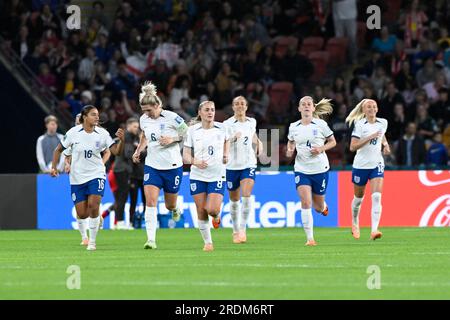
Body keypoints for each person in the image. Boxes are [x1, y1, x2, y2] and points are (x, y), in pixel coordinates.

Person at [50, 105, 124, 251]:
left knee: (94, 206)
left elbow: (116, 151)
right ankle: (96, 219)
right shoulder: (73, 133)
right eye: (93, 114)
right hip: (77, 177)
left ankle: (92, 242)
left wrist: (122, 141)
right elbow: (58, 150)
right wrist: (54, 167)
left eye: (97, 114)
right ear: (84, 117)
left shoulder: (102, 133)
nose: (97, 117)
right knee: (83, 214)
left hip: (96, 174)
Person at [132, 82, 188, 250]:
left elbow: (187, 133)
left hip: (173, 166)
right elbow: (144, 136)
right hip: (152, 166)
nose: (146, 114)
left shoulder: (172, 117)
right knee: (150, 201)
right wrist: (138, 150)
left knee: (169, 205)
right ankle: (151, 240)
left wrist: (173, 139)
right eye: (144, 111)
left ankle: (175, 208)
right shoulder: (143, 119)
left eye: (149, 110)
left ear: (157, 105)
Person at [286, 96, 336, 246]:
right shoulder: (293, 126)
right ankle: (310, 239)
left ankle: (324, 207)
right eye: (303, 104)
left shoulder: (321, 125)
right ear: (299, 108)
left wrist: (321, 148)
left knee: (318, 206)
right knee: (306, 202)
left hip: (320, 169)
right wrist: (290, 150)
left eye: (309, 104)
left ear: (313, 108)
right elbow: (290, 142)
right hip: (301, 169)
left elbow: (333, 142)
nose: (306, 106)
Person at [183, 101, 230, 252]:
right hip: (197, 175)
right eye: (207, 110)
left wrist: (225, 154)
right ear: (200, 112)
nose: (210, 112)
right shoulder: (192, 130)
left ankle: (216, 217)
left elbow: (227, 140)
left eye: (212, 110)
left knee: (212, 210)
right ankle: (208, 243)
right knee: (201, 210)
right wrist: (194, 161)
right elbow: (185, 156)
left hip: (217, 175)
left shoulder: (222, 128)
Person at [346, 99, 391, 241]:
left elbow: (381, 134)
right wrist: (369, 137)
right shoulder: (359, 125)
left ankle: (374, 230)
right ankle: (354, 221)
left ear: (377, 109)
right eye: (368, 107)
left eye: (373, 106)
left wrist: (385, 144)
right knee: (358, 199)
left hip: (376, 164)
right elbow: (352, 147)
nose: (371, 109)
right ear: (364, 111)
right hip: (361, 166)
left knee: (377, 197)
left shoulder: (383, 122)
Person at [223, 96, 263, 244]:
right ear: (233, 107)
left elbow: (252, 135)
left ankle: (243, 229)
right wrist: (233, 138)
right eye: (236, 104)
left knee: (246, 194)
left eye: (242, 104)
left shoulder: (252, 122)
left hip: (248, 164)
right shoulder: (227, 124)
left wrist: (259, 144)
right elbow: (222, 142)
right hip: (232, 166)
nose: (239, 106)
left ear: (246, 107)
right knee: (234, 200)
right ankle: (235, 230)